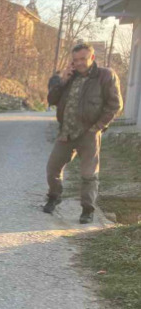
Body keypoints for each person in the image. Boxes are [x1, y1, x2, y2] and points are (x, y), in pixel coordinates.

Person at [43, 43, 123, 223]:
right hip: (66, 132)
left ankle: (87, 210)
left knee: (88, 174)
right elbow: (51, 100)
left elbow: (115, 105)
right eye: (75, 60)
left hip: (89, 133)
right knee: (52, 169)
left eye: (83, 59)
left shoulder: (105, 75)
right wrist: (62, 81)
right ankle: (54, 196)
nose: (79, 63)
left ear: (92, 58)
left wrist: (98, 127)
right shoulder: (69, 78)